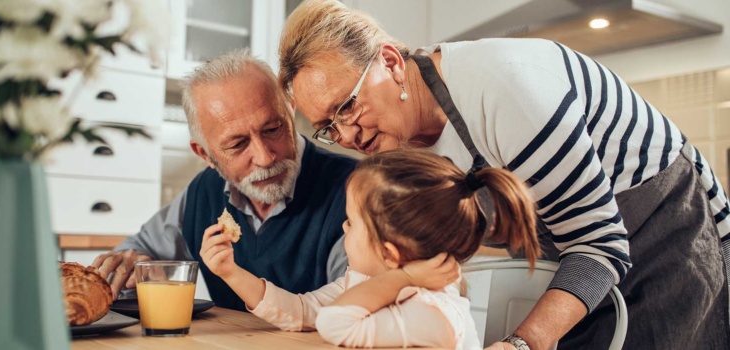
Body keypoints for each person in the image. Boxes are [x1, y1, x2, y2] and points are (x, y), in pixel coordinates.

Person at [277, 1, 730, 349]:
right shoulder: (389, 142)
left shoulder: (503, 89)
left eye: (347, 105)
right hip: (573, 260)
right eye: (328, 127)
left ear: (391, 62)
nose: (347, 133)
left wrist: (523, 342)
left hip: (661, 230)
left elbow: (599, 245)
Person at [90, 49, 358, 311]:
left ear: (290, 111)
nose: (265, 157)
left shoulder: (356, 189)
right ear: (205, 154)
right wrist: (133, 265)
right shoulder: (204, 191)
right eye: (238, 144)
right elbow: (137, 252)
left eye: (273, 129)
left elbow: (348, 311)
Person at [200, 148, 540, 349]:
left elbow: (335, 323)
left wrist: (400, 279)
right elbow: (303, 312)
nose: (343, 228)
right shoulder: (365, 281)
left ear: (390, 254)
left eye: (351, 222)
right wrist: (230, 272)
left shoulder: (434, 312)